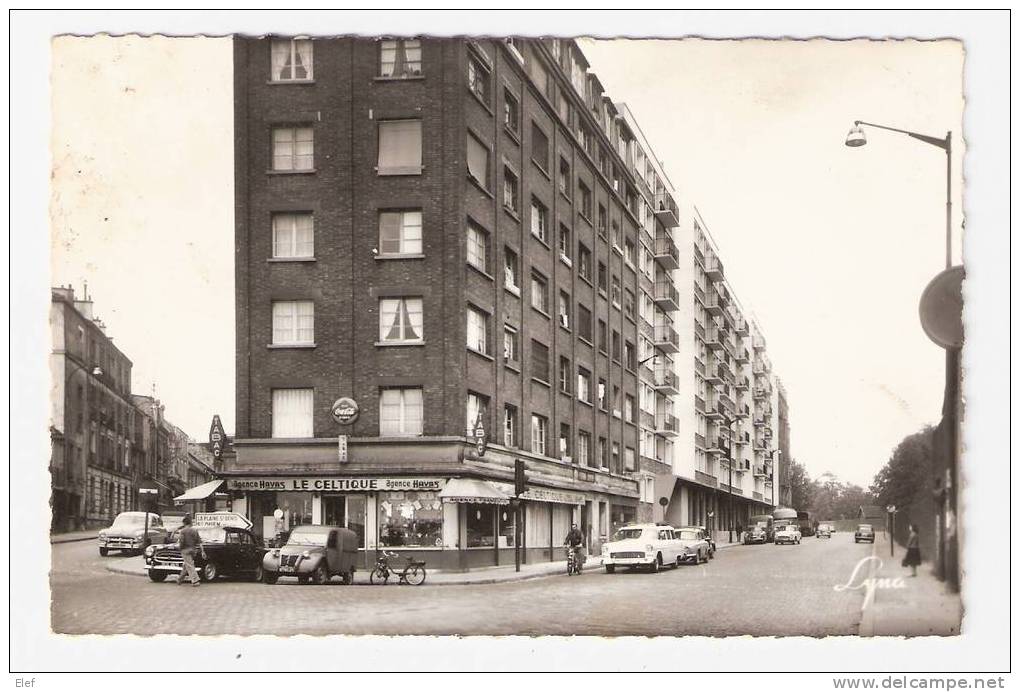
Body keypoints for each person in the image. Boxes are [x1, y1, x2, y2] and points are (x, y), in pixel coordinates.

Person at [176, 514, 206, 587]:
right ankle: (180, 579)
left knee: (189, 565)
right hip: (193, 550)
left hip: (185, 550)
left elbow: (182, 541)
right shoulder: (195, 530)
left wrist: (180, 548)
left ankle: (195, 581)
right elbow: (199, 542)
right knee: (187, 565)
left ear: (184, 523)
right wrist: (202, 551)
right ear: (190, 523)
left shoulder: (183, 531)